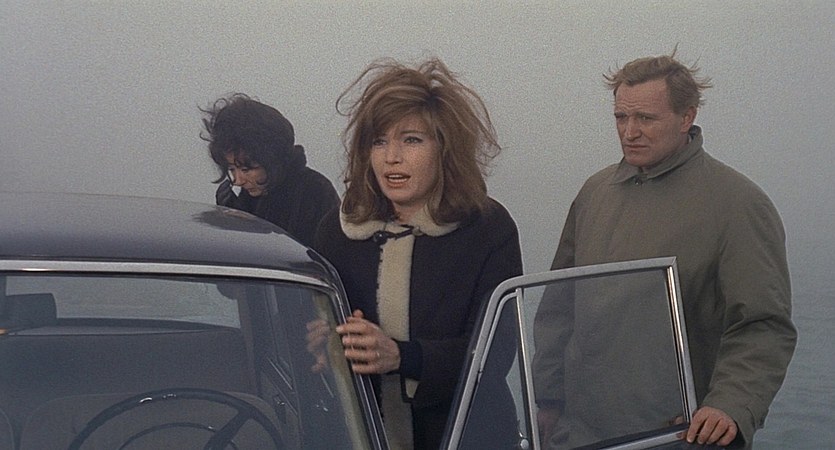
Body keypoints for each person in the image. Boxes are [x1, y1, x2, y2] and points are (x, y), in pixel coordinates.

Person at [533, 52, 796, 449]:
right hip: (581, 433)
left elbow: (763, 325)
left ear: (686, 117)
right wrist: (549, 399)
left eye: (645, 118)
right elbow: (559, 307)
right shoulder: (594, 193)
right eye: (621, 117)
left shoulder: (738, 204)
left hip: (680, 434)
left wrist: (729, 405)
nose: (629, 132)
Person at [314, 58, 523, 449]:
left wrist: (401, 356)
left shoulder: (487, 229)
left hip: (466, 437)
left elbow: (495, 352)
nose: (391, 157)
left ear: (445, 148)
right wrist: (322, 341)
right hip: (364, 436)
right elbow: (317, 339)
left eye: (411, 140)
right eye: (379, 141)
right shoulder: (336, 230)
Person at [200, 93, 339, 247]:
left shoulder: (314, 192)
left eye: (246, 169)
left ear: (272, 159)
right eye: (231, 169)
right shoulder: (240, 197)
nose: (238, 181)